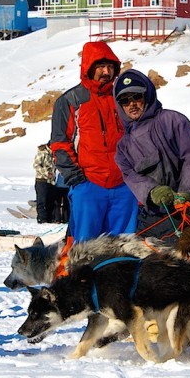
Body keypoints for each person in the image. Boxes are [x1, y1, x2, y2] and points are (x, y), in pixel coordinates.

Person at [50, 41, 138, 244]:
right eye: (100, 67)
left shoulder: (123, 98)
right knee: (84, 250)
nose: (106, 72)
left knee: (123, 250)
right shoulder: (70, 100)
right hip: (89, 186)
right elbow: (60, 144)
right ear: (88, 67)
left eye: (110, 67)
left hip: (124, 187)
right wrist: (78, 181)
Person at [113, 69, 190, 243]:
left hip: (188, 210)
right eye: (124, 101)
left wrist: (187, 191)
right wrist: (151, 192)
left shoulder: (172, 120)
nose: (131, 104)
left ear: (147, 95)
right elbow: (131, 176)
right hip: (152, 217)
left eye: (136, 97)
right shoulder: (123, 147)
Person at [33, 142, 55, 224]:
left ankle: (49, 218)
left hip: (51, 181)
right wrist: (46, 172)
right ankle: (41, 219)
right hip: (41, 180)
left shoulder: (53, 155)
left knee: (50, 201)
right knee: (42, 201)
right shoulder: (42, 153)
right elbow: (36, 165)